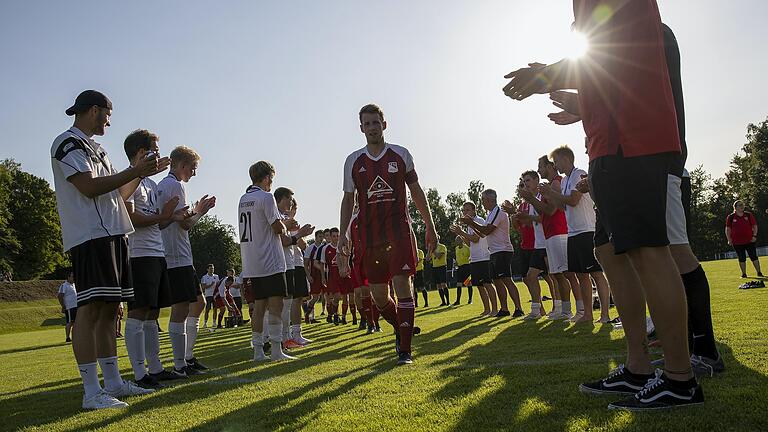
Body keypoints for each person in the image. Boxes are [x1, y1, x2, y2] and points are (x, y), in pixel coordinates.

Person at [503, 0, 703, 410]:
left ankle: (681, 378)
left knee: (649, 250)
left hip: (634, 136)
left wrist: (544, 75)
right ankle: (638, 367)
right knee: (608, 251)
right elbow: (605, 68)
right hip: (608, 140)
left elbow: (612, 50)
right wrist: (581, 104)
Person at [51, 90, 159, 409]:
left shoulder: (97, 149)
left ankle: (112, 382)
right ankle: (91, 391)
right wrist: (134, 171)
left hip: (112, 232)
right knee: (90, 309)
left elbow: (116, 193)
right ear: (94, 110)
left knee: (110, 310)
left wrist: (139, 173)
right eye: (107, 114)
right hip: (90, 235)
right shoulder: (67, 142)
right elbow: (88, 188)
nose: (110, 121)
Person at [337, 103, 437, 365]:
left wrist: (430, 224)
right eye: (367, 124)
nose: (372, 127)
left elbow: (416, 191)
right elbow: (348, 201)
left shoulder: (400, 154)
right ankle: (400, 327)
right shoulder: (353, 161)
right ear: (361, 128)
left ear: (384, 124)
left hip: (398, 232)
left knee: (403, 285)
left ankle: (405, 350)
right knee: (380, 296)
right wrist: (343, 235)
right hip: (370, 238)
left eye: (376, 122)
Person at [122, 129, 191, 388]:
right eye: (154, 151)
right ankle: (140, 374)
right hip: (139, 255)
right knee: (138, 313)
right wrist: (163, 217)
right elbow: (132, 219)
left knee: (152, 314)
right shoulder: (132, 182)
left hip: (156, 253)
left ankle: (156, 368)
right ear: (141, 153)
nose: (160, 157)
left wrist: (172, 217)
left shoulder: (151, 184)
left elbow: (157, 223)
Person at [240, 161, 313, 362]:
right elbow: (277, 228)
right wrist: (287, 224)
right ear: (267, 178)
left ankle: (257, 352)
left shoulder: (243, 198)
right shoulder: (265, 197)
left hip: (251, 260)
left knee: (259, 306)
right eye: (271, 178)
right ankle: (275, 350)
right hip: (270, 259)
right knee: (276, 305)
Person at [157, 146, 216, 375]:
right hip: (176, 255)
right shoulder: (176, 185)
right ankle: (181, 363)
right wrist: (200, 211)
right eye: (193, 168)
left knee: (198, 303)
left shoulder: (164, 185)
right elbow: (184, 224)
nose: (194, 173)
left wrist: (193, 210)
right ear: (182, 165)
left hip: (174, 253)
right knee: (181, 309)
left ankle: (187, 357)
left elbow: (177, 218)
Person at [541, 146, 611, 323]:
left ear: (565, 159)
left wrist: (551, 193)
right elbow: (564, 207)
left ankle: (605, 314)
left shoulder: (579, 173)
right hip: (573, 232)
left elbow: (573, 200)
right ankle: (587, 314)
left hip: (586, 230)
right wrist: (551, 195)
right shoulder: (564, 181)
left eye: (556, 161)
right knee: (581, 275)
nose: (555, 165)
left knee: (595, 273)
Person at [461, 189, 523, 317]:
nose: (482, 203)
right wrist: (472, 225)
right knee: (497, 281)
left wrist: (471, 223)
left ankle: (518, 308)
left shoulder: (498, 212)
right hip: (494, 251)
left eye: (483, 200)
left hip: (502, 250)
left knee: (506, 279)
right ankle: (504, 309)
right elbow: (483, 233)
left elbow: (487, 230)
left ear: (490, 200)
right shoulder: (490, 214)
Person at [510, 170, 553, 320]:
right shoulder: (530, 201)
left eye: (527, 181)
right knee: (530, 276)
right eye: (523, 182)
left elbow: (546, 217)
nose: (525, 184)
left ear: (536, 180)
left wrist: (526, 216)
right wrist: (515, 215)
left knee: (555, 277)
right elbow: (527, 223)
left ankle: (560, 308)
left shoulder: (541, 197)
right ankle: (537, 310)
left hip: (549, 241)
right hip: (538, 244)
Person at [451, 202, 497, 317]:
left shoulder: (479, 221)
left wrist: (461, 232)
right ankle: (487, 310)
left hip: (483, 257)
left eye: (467, 210)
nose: (465, 212)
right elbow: (469, 243)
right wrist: (460, 234)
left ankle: (495, 309)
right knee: (479, 286)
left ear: (474, 210)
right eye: (463, 210)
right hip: (475, 259)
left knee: (487, 284)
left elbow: (476, 239)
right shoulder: (469, 225)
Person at [287, 198, 312, 345]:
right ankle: (287, 334)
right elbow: (300, 244)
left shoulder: (295, 224)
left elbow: (303, 246)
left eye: (294, 208)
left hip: (297, 263)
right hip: (288, 264)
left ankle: (296, 333)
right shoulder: (283, 222)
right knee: (289, 301)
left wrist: (300, 233)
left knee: (297, 300)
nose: (293, 211)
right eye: (291, 207)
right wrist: (299, 233)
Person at [726, 201, 762, 278]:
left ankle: (759, 272)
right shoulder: (731, 217)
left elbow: (755, 226)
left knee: (754, 257)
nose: (742, 206)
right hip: (737, 242)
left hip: (750, 240)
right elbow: (728, 229)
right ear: (735, 207)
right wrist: (729, 239)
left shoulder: (748, 215)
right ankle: (744, 274)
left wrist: (754, 236)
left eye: (743, 205)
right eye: (740, 205)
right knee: (741, 258)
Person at [304, 230, 326, 323]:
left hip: (324, 275)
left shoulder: (324, 247)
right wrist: (308, 275)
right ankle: (309, 316)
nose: (322, 238)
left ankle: (332, 316)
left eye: (322, 237)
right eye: (320, 236)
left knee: (328, 295)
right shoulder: (310, 248)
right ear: (316, 237)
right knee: (315, 297)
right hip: (314, 275)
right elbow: (305, 264)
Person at [57, 271, 77, 342]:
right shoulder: (64, 285)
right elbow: (60, 296)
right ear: (68, 277)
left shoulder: (74, 285)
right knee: (70, 322)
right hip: (69, 307)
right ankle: (67, 337)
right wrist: (63, 306)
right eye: (72, 276)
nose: (74, 278)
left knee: (75, 322)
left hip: (76, 306)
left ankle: (75, 337)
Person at [430, 238, 449, 306]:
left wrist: (433, 250)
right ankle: (443, 302)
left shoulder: (442, 247)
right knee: (438, 286)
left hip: (442, 267)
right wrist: (429, 250)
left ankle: (448, 302)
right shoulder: (432, 248)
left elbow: (439, 256)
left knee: (443, 284)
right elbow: (427, 258)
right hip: (435, 268)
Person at [454, 236, 473, 305]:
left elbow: (470, 257)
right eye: (456, 240)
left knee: (468, 283)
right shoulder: (456, 248)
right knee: (459, 284)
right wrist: (456, 263)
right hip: (459, 268)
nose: (456, 242)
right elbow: (457, 258)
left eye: (458, 240)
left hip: (467, 267)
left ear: (462, 240)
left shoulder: (467, 248)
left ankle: (470, 299)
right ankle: (458, 301)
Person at [201, 264, 220, 329]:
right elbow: (203, 287)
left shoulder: (216, 276)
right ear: (207, 269)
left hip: (215, 295)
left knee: (215, 309)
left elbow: (218, 285)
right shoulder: (204, 277)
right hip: (208, 295)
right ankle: (205, 323)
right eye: (210, 268)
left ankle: (214, 322)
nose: (212, 270)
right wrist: (210, 285)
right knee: (207, 309)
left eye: (213, 268)